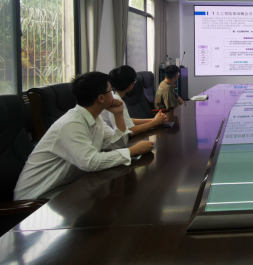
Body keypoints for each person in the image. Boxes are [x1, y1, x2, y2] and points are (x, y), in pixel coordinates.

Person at [14, 72, 154, 200]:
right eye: (110, 90)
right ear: (101, 98)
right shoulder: (71, 124)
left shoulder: (96, 118)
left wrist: (118, 115)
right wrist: (132, 151)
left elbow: (117, 144)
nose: (113, 94)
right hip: (38, 198)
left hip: (68, 187)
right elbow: (91, 162)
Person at [101, 65, 167, 134]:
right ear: (131, 85)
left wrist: (154, 120)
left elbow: (128, 121)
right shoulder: (115, 100)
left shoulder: (113, 95)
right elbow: (130, 131)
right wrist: (155, 122)